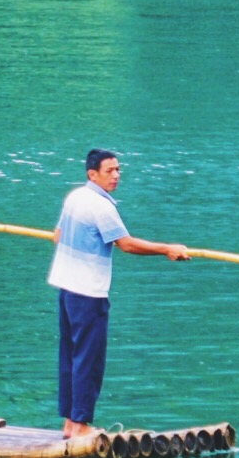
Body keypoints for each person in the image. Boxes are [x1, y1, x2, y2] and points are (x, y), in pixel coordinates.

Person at [51, 149, 189, 440]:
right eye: (109, 170)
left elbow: (58, 235)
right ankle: (81, 426)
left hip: (66, 288)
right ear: (92, 174)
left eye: (118, 170)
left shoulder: (74, 198)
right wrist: (167, 249)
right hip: (88, 293)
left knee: (71, 356)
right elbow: (126, 245)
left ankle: (69, 424)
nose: (116, 175)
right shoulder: (101, 207)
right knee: (88, 360)